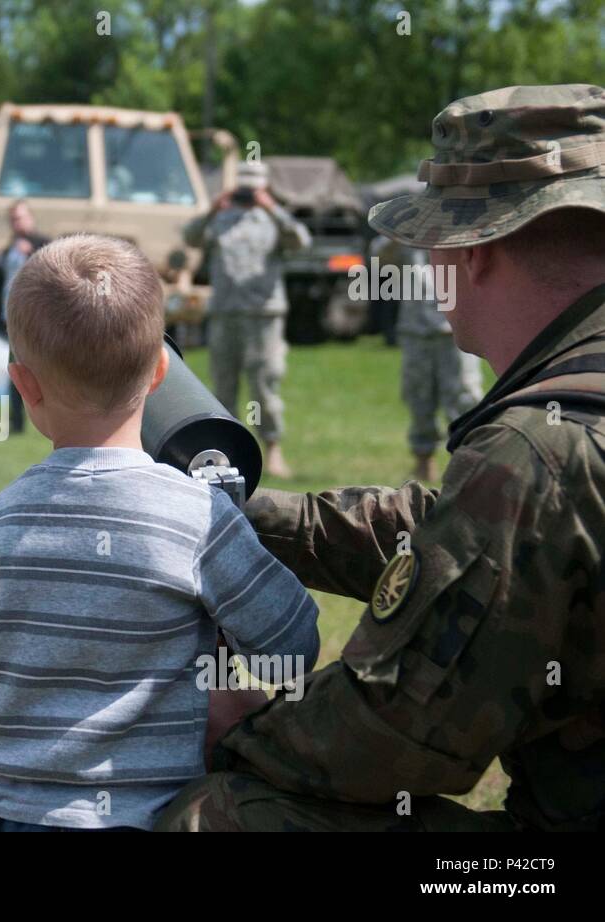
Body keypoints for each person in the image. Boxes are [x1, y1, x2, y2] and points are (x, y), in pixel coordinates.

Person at [157, 84, 605, 832]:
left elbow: (393, 733)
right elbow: (453, 527)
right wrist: (239, 516)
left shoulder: (537, 449)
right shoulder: (562, 425)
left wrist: (238, 725)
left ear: (479, 246)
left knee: (217, 818)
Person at [0, 234, 319, 831]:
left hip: (4, 815)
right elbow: (293, 648)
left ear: (24, 387)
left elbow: (26, 616)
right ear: (162, 371)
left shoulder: (4, 515)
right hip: (139, 815)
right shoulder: (199, 518)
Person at [184, 161, 311, 478]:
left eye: (254, 185)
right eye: (243, 184)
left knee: (264, 385)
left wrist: (274, 211)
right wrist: (212, 210)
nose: (248, 191)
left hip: (263, 315)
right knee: (223, 388)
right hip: (225, 314)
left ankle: (273, 449)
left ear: (264, 187)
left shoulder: (274, 221)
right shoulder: (221, 220)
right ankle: (226, 454)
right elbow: (190, 237)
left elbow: (301, 242)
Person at [378, 238, 484, 480]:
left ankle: (469, 462)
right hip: (416, 330)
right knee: (418, 396)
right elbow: (380, 258)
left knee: (464, 396)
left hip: (456, 328)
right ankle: (423, 459)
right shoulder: (408, 232)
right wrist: (399, 232)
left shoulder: (461, 229)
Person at [0, 200, 50, 433]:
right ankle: (17, 422)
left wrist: (32, 253)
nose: (17, 223)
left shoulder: (43, 243)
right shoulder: (9, 248)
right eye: (13, 219)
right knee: (14, 372)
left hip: (34, 320)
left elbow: (55, 274)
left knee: (32, 372)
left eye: (21, 217)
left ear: (30, 218)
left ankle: (38, 420)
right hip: (9, 319)